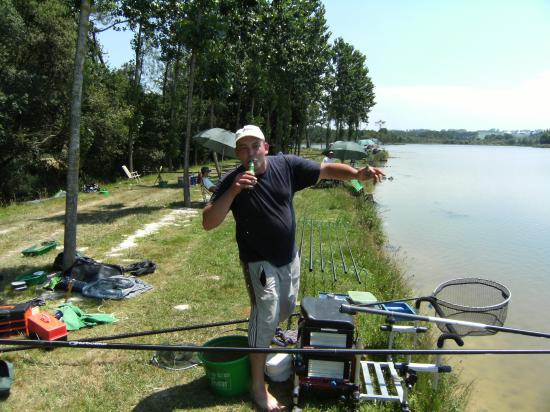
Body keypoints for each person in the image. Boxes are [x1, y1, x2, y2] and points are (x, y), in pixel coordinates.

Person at [202, 124, 384, 411]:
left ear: (266, 147)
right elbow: (208, 222)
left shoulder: (286, 165)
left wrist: (356, 175)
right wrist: (234, 192)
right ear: (238, 153)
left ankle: (263, 341)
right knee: (266, 315)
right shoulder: (232, 180)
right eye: (243, 148)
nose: (250, 153)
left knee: (285, 310)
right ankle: (257, 387)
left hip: (289, 257)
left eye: (255, 146)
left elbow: (325, 170)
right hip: (258, 261)